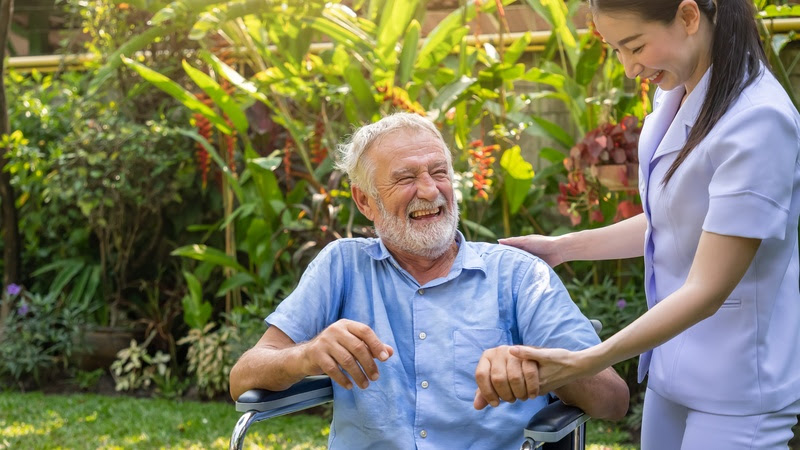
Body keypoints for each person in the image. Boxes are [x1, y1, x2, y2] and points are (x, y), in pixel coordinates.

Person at [229, 112, 629, 449]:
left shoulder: (518, 274)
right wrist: (306, 354)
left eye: (439, 172)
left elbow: (613, 400)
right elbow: (243, 377)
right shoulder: (341, 266)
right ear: (365, 201)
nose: (429, 190)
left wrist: (545, 368)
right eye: (405, 178)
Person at [500, 0, 800, 448]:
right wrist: (562, 247)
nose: (627, 68)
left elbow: (707, 289)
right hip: (673, 371)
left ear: (689, 16)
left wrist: (586, 361)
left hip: (737, 387)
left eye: (634, 45)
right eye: (615, 50)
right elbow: (674, 221)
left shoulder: (759, 120)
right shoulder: (677, 92)